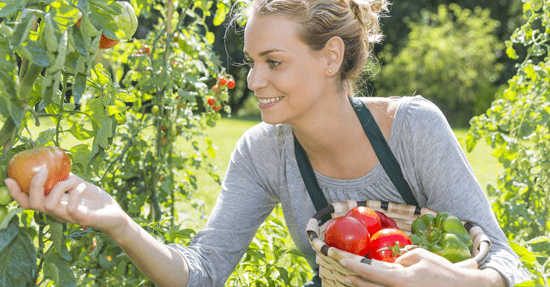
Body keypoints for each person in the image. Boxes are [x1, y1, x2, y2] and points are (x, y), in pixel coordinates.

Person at [5, 0, 531, 286]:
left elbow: (505, 260)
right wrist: (120, 223)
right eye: (252, 62)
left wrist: (462, 283)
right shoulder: (264, 151)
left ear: (329, 58)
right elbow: (203, 272)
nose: (253, 81)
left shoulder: (414, 128)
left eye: (273, 62)